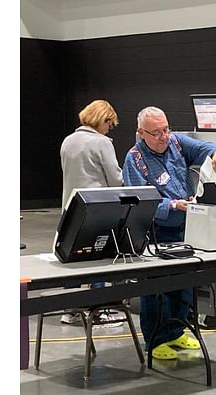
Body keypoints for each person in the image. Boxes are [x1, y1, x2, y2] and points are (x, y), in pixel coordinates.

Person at [122, 106, 216, 360]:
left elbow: (205, 146)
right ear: (141, 133)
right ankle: (156, 340)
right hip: (156, 230)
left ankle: (177, 330)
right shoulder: (134, 159)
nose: (163, 136)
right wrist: (172, 205)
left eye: (166, 129)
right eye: (156, 132)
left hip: (185, 228)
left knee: (184, 284)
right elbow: (138, 201)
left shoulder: (177, 143)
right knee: (156, 287)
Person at [59, 99, 124, 326]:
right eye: (110, 124)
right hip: (97, 209)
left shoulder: (68, 141)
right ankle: (100, 310)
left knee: (73, 259)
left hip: (71, 208)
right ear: (103, 120)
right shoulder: (103, 143)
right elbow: (115, 179)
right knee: (99, 257)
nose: (110, 128)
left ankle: (70, 310)